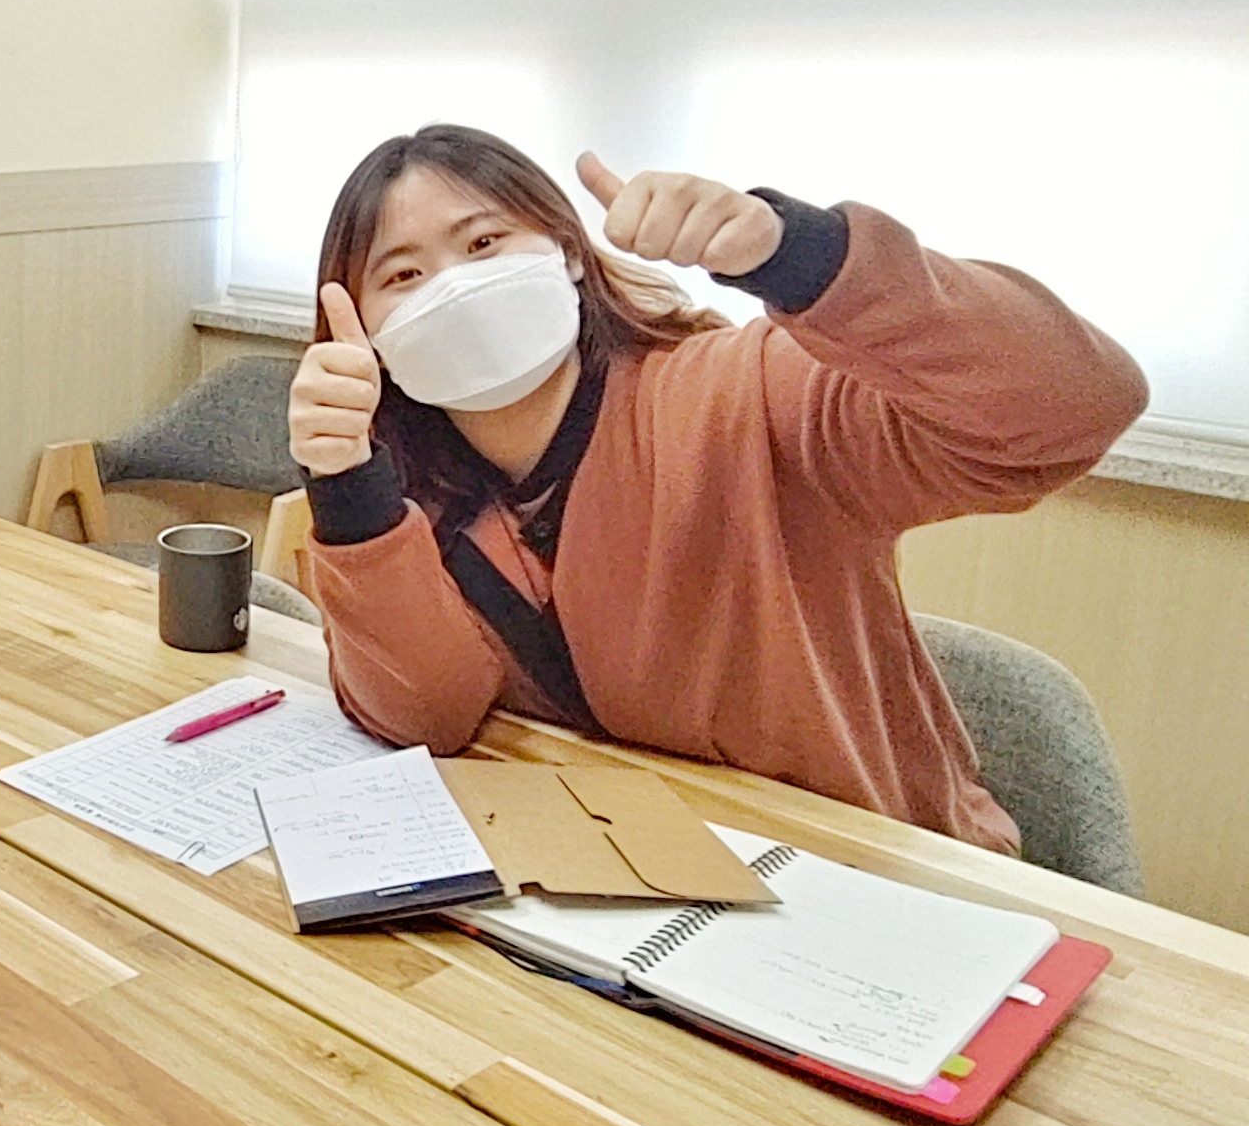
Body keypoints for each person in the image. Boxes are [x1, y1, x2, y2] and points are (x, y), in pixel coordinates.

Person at [286, 123, 1147, 853]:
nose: (454, 287)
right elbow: (424, 716)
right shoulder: (422, 494)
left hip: (874, 884)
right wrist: (349, 488)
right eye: (402, 276)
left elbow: (1074, 409)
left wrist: (802, 256)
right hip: (623, 882)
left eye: (483, 244)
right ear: (359, 326)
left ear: (568, 253)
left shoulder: (748, 395)